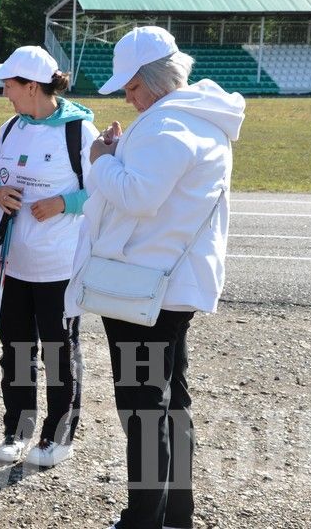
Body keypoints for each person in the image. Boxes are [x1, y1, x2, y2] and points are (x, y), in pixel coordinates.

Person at [63, 26, 244, 529]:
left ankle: (144, 517)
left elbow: (139, 196)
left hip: (144, 285)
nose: (128, 96)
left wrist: (100, 160)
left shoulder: (170, 126)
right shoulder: (198, 120)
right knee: (170, 401)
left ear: (156, 78)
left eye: (132, 86)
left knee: (143, 407)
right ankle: (175, 513)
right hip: (169, 283)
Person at [0, 46, 98, 467]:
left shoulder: (80, 132)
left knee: (58, 349)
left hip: (59, 266)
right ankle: (17, 430)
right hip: (11, 261)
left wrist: (64, 204)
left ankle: (58, 435)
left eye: (10, 85)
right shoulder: (12, 126)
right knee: (14, 348)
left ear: (32, 86)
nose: (4, 92)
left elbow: (103, 190)